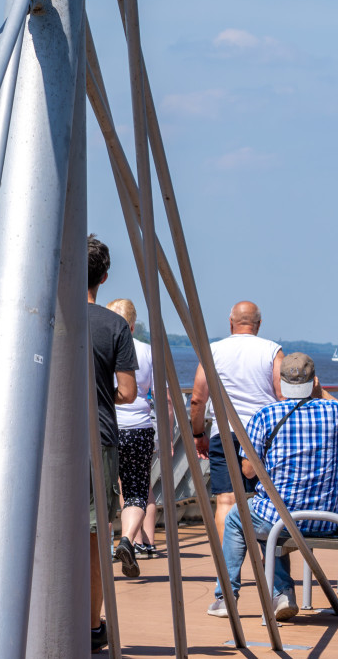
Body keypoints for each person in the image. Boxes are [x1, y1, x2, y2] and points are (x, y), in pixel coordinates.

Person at [207, 353, 338, 620]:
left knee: (240, 516)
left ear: (281, 383)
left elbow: (248, 471)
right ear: (315, 382)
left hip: (282, 519)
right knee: (272, 518)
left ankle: (227, 598)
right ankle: (281, 594)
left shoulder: (266, 415)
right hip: (330, 520)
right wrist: (320, 392)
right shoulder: (335, 413)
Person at [189, 301, 282, 543]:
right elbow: (283, 397)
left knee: (226, 499)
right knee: (267, 497)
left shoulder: (213, 351)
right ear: (258, 325)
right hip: (264, 434)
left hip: (225, 431)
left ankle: (227, 569)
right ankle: (267, 561)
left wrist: (198, 434)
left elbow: (198, 399)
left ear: (231, 323)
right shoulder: (272, 350)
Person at [86, 236, 137, 652]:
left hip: (48, 441)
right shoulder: (115, 325)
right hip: (99, 435)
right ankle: (91, 624)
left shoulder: (48, 315)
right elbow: (129, 391)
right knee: (95, 532)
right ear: (104, 277)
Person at [107, 299, 173, 573]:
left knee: (104, 492)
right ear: (133, 325)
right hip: (139, 429)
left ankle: (105, 545)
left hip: (105, 427)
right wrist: (167, 438)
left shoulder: (100, 346)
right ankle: (127, 539)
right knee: (136, 492)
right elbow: (165, 400)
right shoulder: (147, 352)